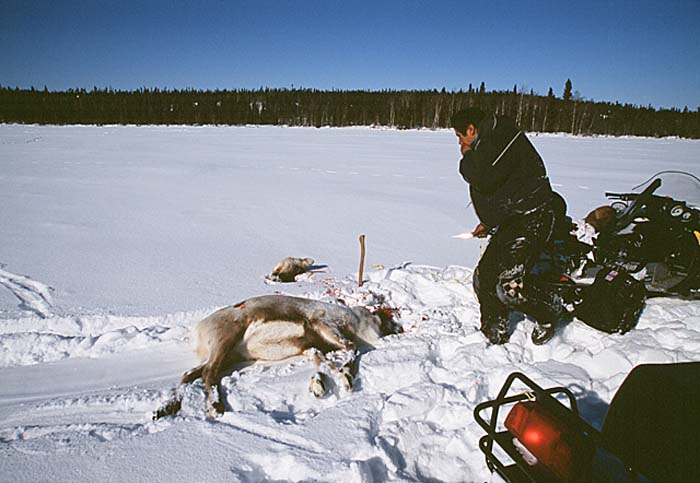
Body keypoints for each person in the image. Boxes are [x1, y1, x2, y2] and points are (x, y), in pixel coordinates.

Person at [451, 107, 564, 345]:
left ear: (471, 129)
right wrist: (488, 222)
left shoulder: (499, 138)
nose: (460, 142)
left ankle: (549, 310)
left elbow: (482, 177)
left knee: (509, 286)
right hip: (513, 219)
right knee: (484, 276)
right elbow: (500, 188)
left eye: (461, 136)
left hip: (534, 217)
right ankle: (495, 328)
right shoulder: (490, 139)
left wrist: (467, 155)